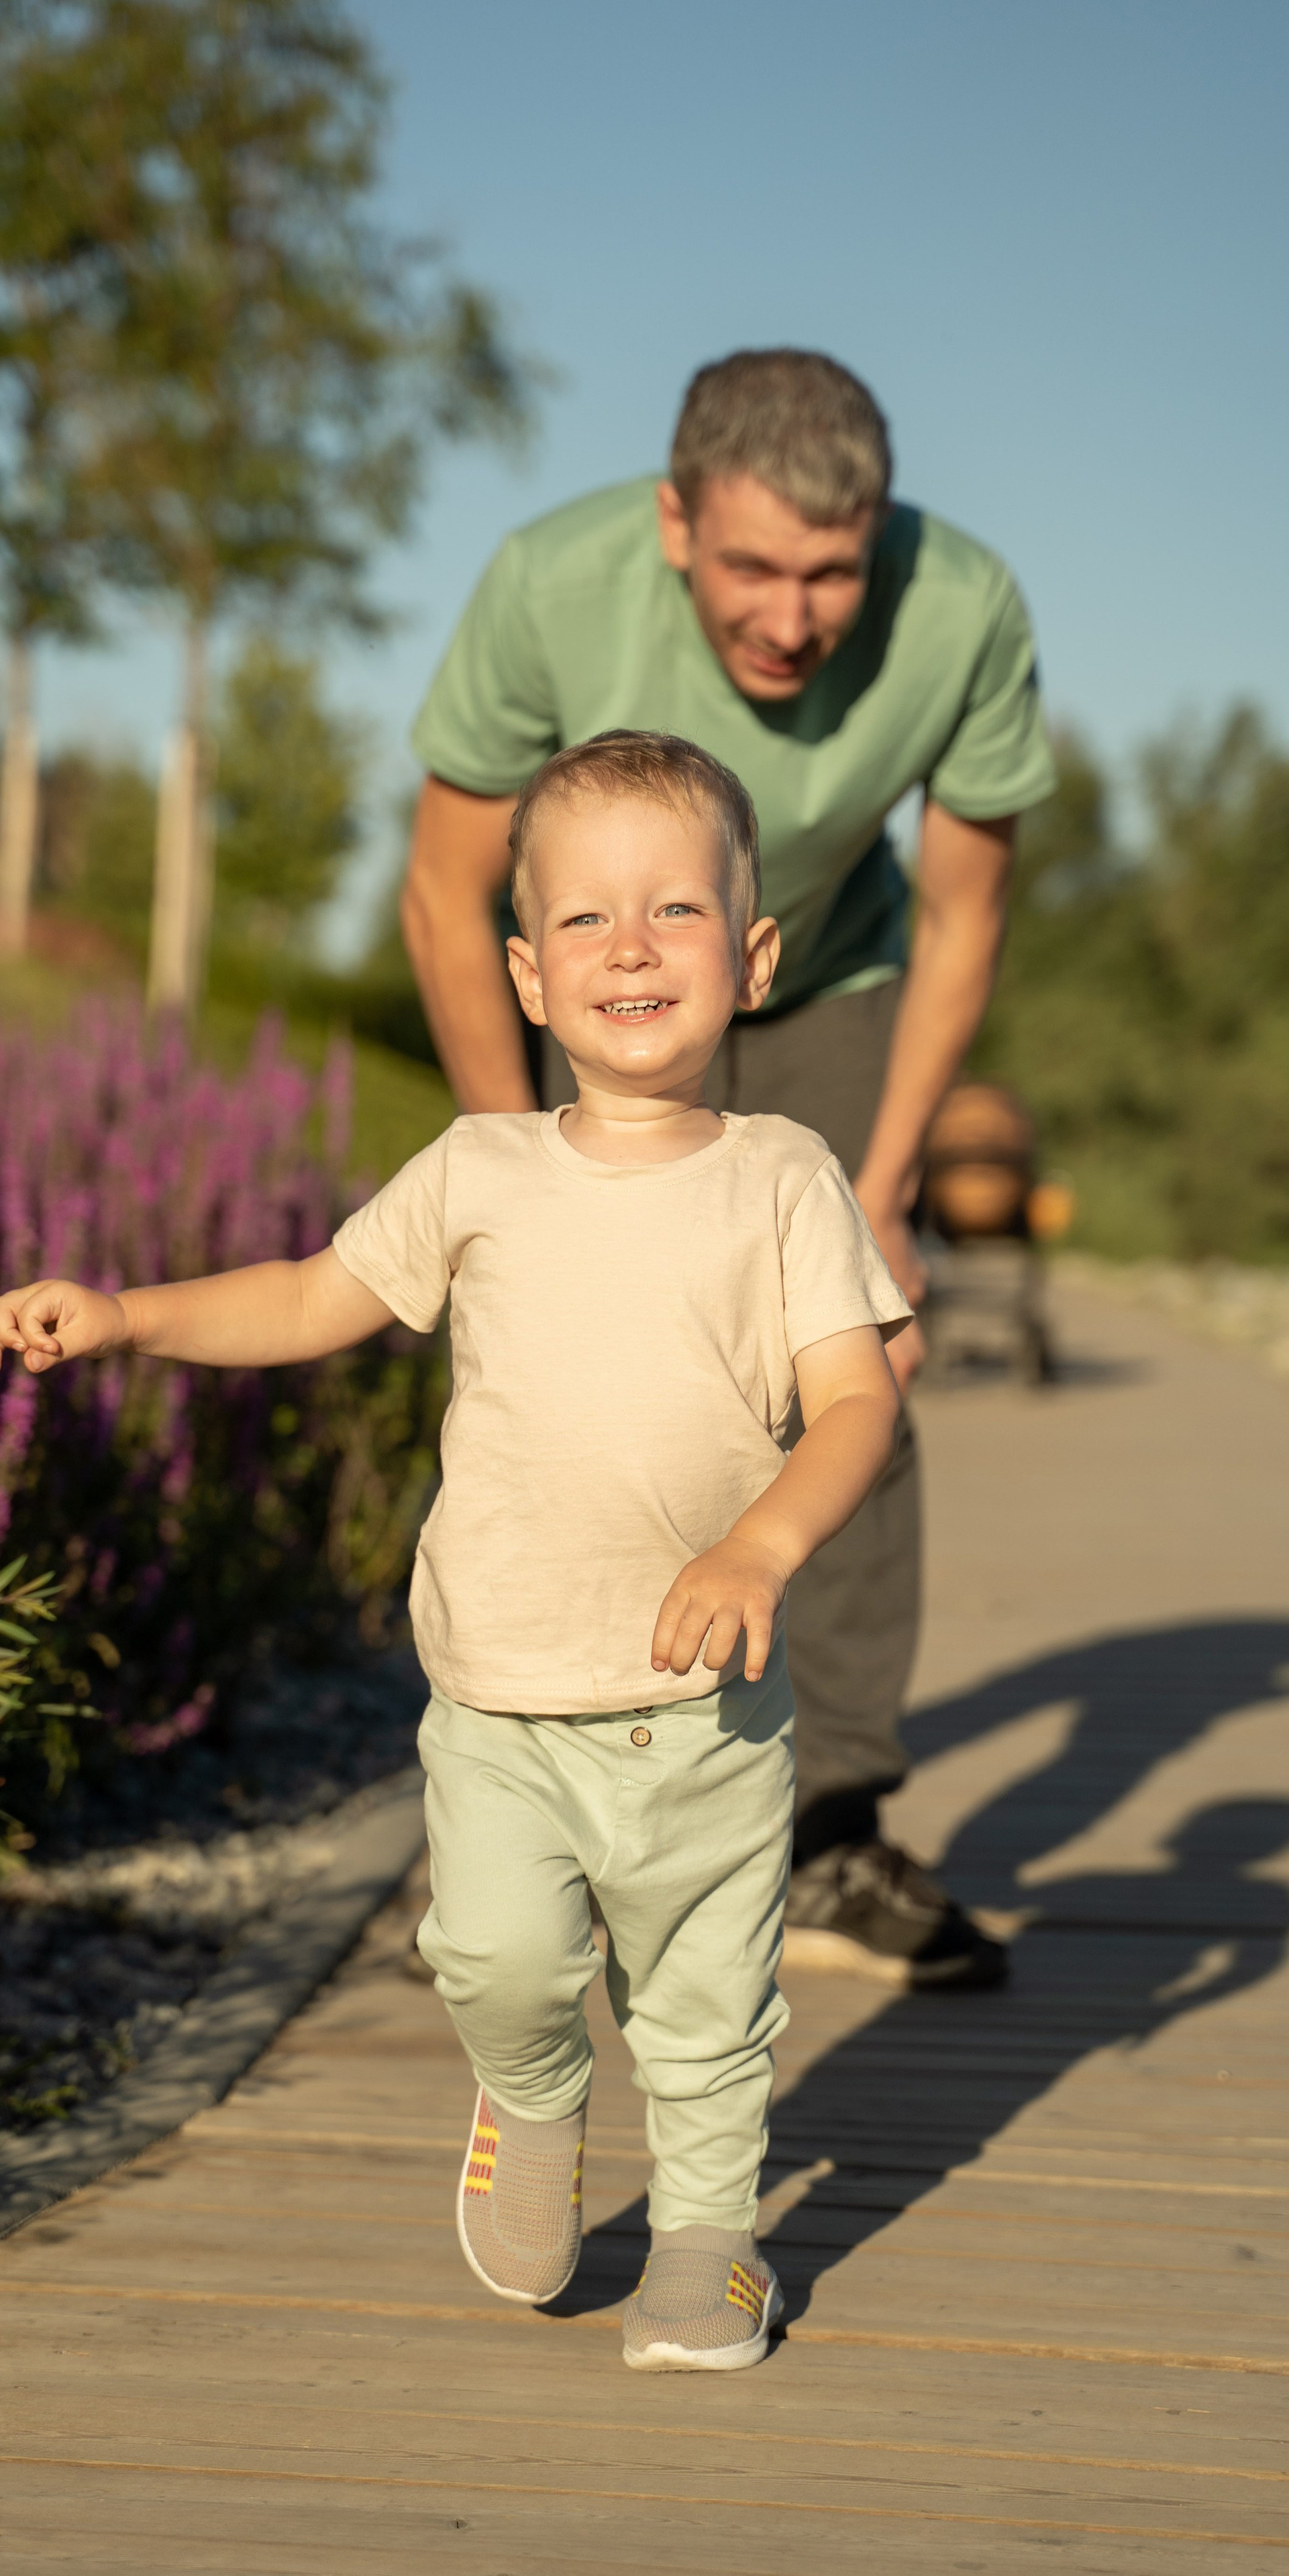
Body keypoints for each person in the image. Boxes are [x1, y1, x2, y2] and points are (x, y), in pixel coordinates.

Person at [0, 730, 910, 2372]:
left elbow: (853, 1405)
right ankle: (535, 2092)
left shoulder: (784, 1181)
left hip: (704, 1705)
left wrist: (762, 1546)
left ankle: (705, 2248)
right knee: (490, 1954)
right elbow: (308, 1298)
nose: (631, 945)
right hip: (498, 1695)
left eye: (677, 909)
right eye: (585, 920)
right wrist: (125, 1317)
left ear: (751, 959)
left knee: (703, 2017)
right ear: (523, 976)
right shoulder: (478, 1170)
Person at [400, 350, 1056, 1988]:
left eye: (832, 573)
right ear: (675, 520)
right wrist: (502, 1162)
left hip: (830, 982)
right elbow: (441, 885)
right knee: (570, 1359)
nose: (790, 616)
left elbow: (966, 910)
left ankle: (829, 1830)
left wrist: (885, 1183)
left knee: (854, 1365)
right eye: (752, 567)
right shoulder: (550, 586)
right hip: (611, 981)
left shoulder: (964, 608)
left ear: (881, 540)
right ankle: (529, 1787)